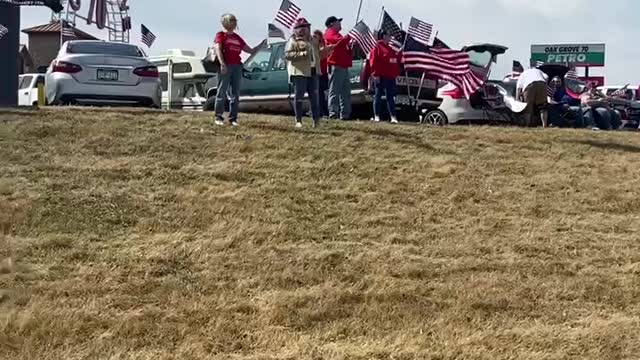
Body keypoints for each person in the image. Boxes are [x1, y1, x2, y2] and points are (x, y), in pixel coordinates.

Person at [213, 13, 266, 126]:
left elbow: (250, 51)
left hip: (237, 66)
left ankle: (233, 118)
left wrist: (261, 45)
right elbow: (218, 49)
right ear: (225, 22)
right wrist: (222, 64)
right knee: (221, 91)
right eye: (232, 20)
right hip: (226, 65)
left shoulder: (237, 37)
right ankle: (218, 117)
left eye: (235, 20)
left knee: (235, 93)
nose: (234, 22)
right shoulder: (221, 35)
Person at [285, 18, 326, 128]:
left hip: (313, 71)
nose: (304, 30)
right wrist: (302, 54)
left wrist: (327, 50)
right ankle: (298, 120)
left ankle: (316, 121)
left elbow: (318, 55)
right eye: (301, 28)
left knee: (315, 97)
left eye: (306, 27)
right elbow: (287, 55)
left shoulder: (313, 40)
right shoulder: (293, 41)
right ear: (296, 30)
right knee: (299, 97)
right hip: (300, 72)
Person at [368, 30, 401, 124]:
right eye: (389, 35)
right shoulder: (377, 47)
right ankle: (376, 115)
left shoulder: (390, 49)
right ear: (383, 36)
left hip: (390, 76)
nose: (390, 37)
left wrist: (399, 55)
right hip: (380, 76)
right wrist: (375, 74)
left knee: (390, 97)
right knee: (378, 96)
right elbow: (373, 62)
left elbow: (394, 60)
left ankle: (393, 117)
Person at [324, 16, 353, 120]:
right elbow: (339, 43)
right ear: (332, 24)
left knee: (345, 92)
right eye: (338, 22)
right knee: (334, 91)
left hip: (343, 66)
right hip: (336, 65)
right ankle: (333, 113)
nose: (340, 24)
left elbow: (343, 47)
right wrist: (349, 37)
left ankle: (345, 114)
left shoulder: (338, 35)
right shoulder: (329, 34)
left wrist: (349, 48)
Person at [313, 30, 330, 118]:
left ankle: (324, 111)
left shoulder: (323, 45)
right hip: (316, 72)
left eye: (316, 36)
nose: (314, 38)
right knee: (317, 93)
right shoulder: (312, 46)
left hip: (323, 73)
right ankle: (319, 111)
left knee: (322, 93)